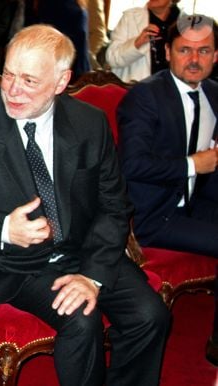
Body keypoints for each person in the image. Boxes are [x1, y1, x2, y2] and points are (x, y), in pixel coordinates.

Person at [0, 24, 170, 386]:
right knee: (80, 317)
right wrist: (2, 227)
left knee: (150, 315)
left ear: (61, 82)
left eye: (28, 81)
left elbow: (113, 205)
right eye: (8, 74)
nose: (11, 90)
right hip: (15, 264)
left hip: (85, 250)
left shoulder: (89, 123)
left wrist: (92, 276)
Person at [117, 14, 218, 366]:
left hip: (196, 202)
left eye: (203, 50)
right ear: (169, 53)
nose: (194, 59)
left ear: (216, 56)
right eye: (184, 50)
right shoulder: (146, 97)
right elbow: (132, 165)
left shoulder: (214, 94)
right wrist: (194, 164)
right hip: (153, 215)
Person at [106, 0, 181, 82]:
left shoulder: (184, 24)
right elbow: (112, 58)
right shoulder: (131, 17)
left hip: (172, 89)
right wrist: (137, 43)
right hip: (136, 89)